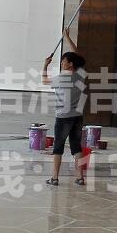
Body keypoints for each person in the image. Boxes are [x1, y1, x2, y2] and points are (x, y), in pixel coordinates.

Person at [41, 29, 87, 186]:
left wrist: (45, 65)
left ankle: (54, 178)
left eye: (63, 61)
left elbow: (44, 81)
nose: (62, 63)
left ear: (70, 64)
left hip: (63, 117)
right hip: (77, 116)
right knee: (76, 147)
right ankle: (80, 177)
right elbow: (77, 55)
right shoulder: (80, 75)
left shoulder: (61, 78)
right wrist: (67, 37)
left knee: (58, 147)